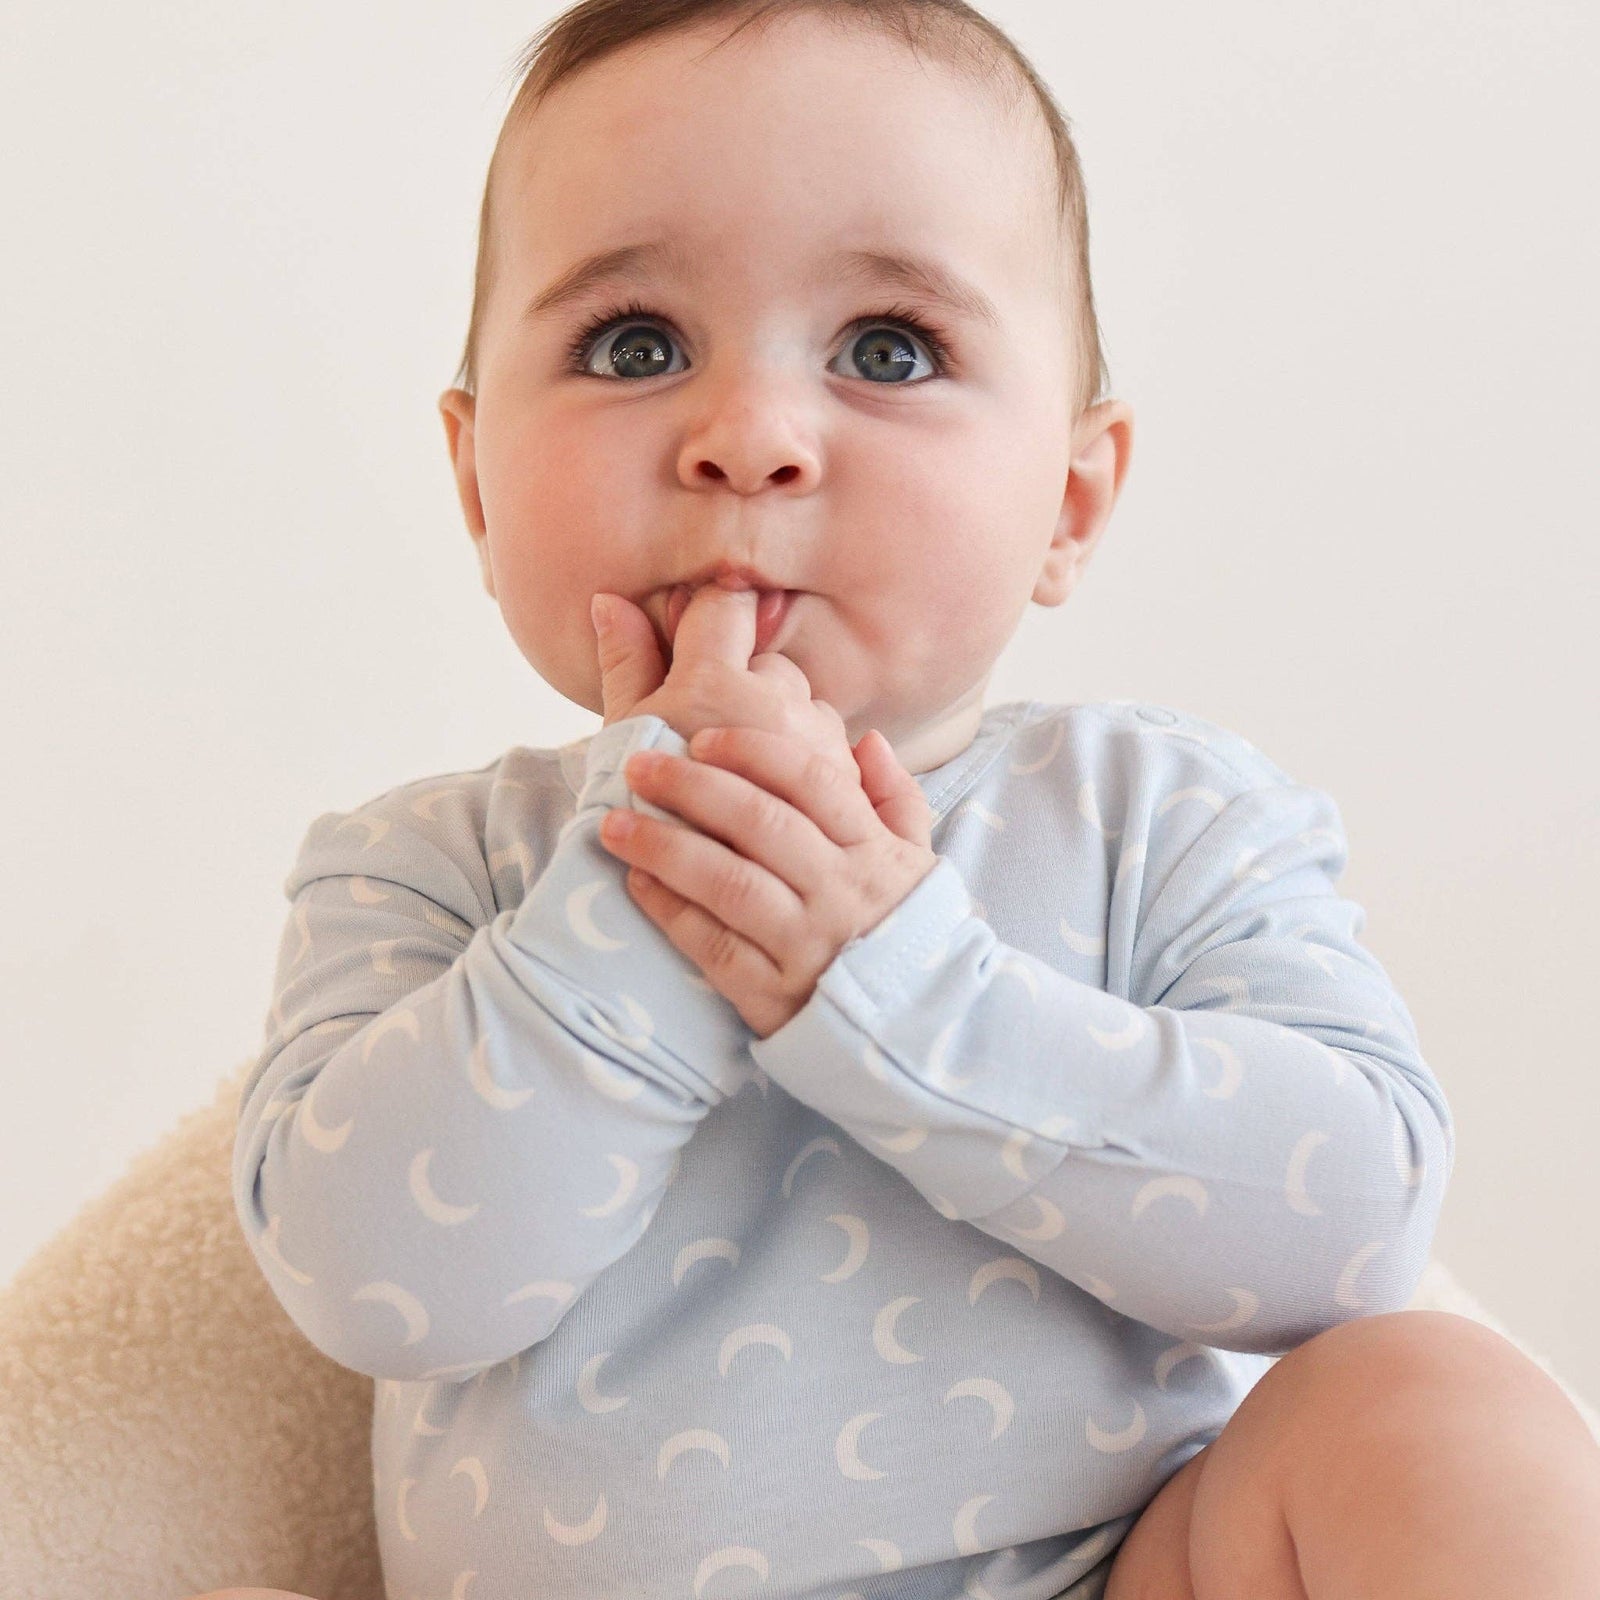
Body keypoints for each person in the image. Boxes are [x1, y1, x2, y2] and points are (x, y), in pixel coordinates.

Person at [206, 2, 1600, 1598]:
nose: (748, 439)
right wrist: (643, 888)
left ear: (1070, 502)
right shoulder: (424, 870)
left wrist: (895, 988)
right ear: (473, 477)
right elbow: (381, 1281)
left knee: (1432, 1411)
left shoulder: (1163, 816)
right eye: (634, 345)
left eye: (889, 350)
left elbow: (1350, 1230)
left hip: (1115, 1574)